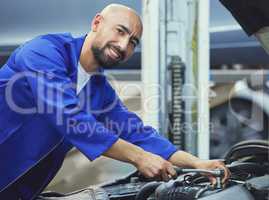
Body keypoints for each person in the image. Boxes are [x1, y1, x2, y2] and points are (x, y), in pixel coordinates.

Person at [0, 4, 230, 199]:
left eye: (132, 42)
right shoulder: (44, 52)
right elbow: (70, 118)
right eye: (120, 31)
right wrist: (139, 157)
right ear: (97, 23)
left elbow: (138, 133)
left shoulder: (99, 90)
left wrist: (199, 163)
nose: (123, 46)